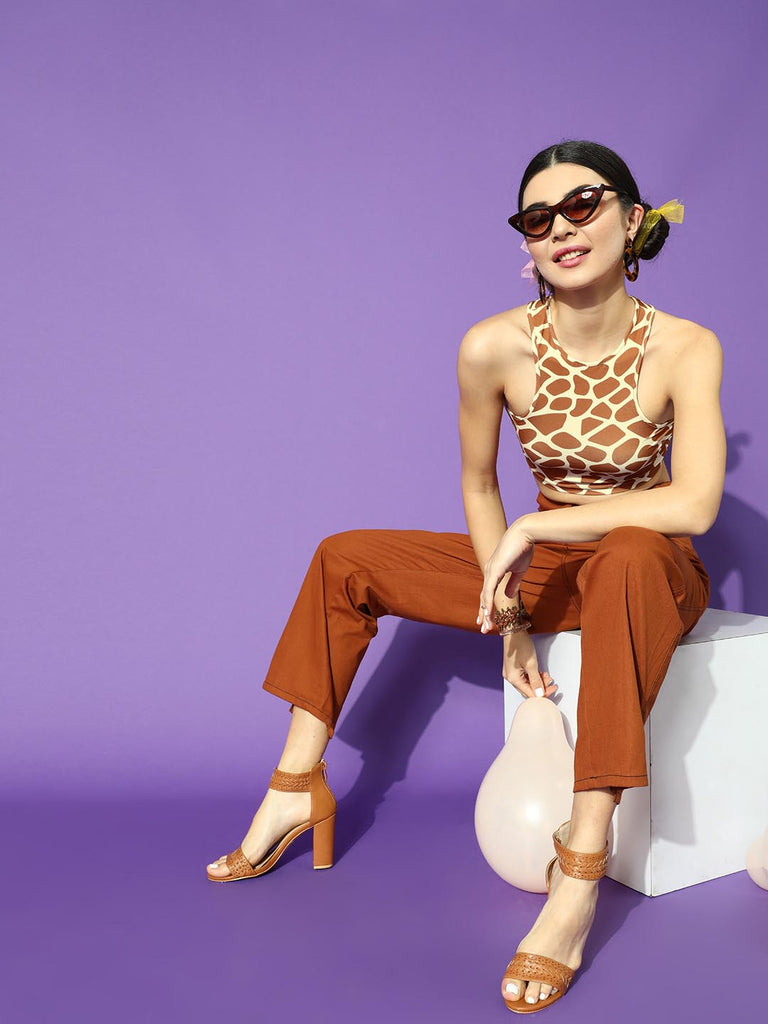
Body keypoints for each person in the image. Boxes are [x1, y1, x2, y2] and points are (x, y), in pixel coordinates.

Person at [206, 140, 725, 1014]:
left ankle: (580, 866)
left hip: (654, 563)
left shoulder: (684, 346)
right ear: (526, 242)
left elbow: (697, 503)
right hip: (551, 566)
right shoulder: (492, 347)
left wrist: (536, 524)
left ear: (632, 219)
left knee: (630, 552)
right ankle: (296, 789)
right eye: (539, 218)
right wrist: (512, 615)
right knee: (346, 556)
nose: (562, 229)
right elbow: (481, 485)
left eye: (584, 205)